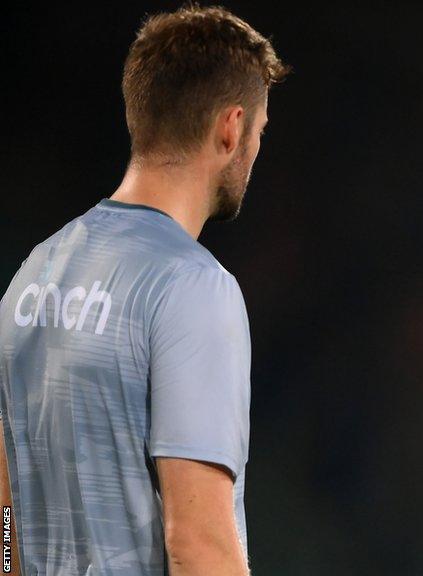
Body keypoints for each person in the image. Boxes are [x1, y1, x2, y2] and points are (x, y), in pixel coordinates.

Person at [0, 5, 287, 574]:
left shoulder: (33, 275)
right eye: (259, 131)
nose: (256, 148)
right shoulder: (194, 289)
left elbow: (3, 515)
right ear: (230, 129)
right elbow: (198, 546)